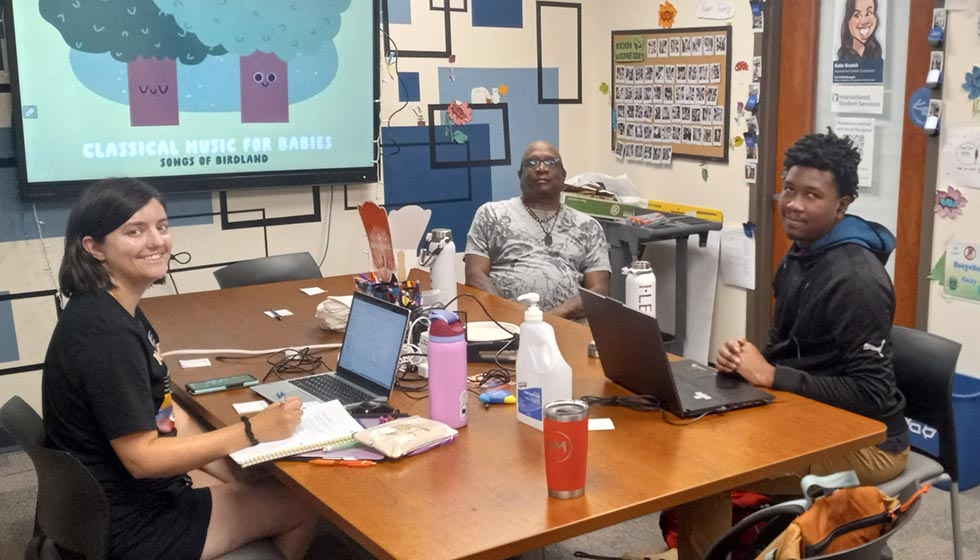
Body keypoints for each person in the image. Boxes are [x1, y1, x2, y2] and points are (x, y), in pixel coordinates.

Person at [42, 178, 318, 560]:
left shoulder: (114, 310)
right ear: (94, 247)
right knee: (303, 504)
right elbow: (143, 458)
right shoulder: (106, 335)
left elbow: (164, 415)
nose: (157, 241)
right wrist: (251, 432)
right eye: (134, 231)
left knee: (257, 483)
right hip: (130, 526)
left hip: (111, 503)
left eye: (162, 226)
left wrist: (237, 473)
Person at [464, 141, 611, 320]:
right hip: (503, 324)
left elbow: (599, 291)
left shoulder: (589, 226)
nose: (541, 168)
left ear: (563, 175)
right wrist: (508, 315)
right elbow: (475, 276)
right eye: (531, 163)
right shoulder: (491, 214)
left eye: (551, 162)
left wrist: (548, 319)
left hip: (567, 326)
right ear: (520, 175)